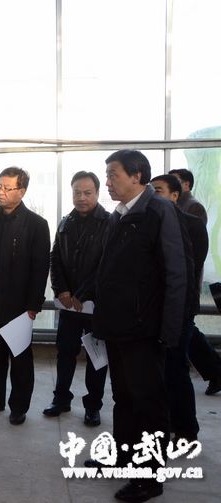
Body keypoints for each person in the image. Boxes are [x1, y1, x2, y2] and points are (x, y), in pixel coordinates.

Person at [92, 150, 186, 502]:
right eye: (107, 175)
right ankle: (123, 457)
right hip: (118, 325)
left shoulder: (158, 211)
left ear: (137, 176)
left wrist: (169, 331)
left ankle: (149, 478)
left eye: (113, 175)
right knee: (123, 398)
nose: (108, 182)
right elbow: (108, 270)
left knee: (149, 403)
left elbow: (176, 272)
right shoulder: (119, 214)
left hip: (145, 329)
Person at [0, 167, 50, 426]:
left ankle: (19, 406)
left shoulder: (36, 225)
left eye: (7, 188)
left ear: (21, 191)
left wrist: (33, 304)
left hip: (19, 306)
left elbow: (40, 268)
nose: (1, 192)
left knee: (20, 358)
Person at [44, 171, 109, 427]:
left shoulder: (109, 223)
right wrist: (61, 290)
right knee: (65, 353)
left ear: (97, 193)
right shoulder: (65, 223)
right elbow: (55, 258)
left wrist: (83, 293)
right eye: (77, 192)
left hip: (96, 305)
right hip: (69, 305)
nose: (81, 197)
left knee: (97, 357)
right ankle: (61, 399)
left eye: (87, 193)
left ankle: (93, 406)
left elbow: (108, 265)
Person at [151, 174, 208, 442]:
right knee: (160, 371)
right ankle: (167, 422)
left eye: (158, 191)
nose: (153, 195)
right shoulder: (153, 222)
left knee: (176, 368)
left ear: (175, 195)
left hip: (180, 308)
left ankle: (187, 430)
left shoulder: (193, 224)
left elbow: (187, 270)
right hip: (154, 309)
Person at [169, 169, 221, 396]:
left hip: (186, 283)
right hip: (177, 283)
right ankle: (215, 371)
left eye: (175, 181)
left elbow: (192, 250)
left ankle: (216, 371)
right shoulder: (176, 206)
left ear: (186, 185)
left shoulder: (193, 208)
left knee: (186, 332)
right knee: (187, 332)